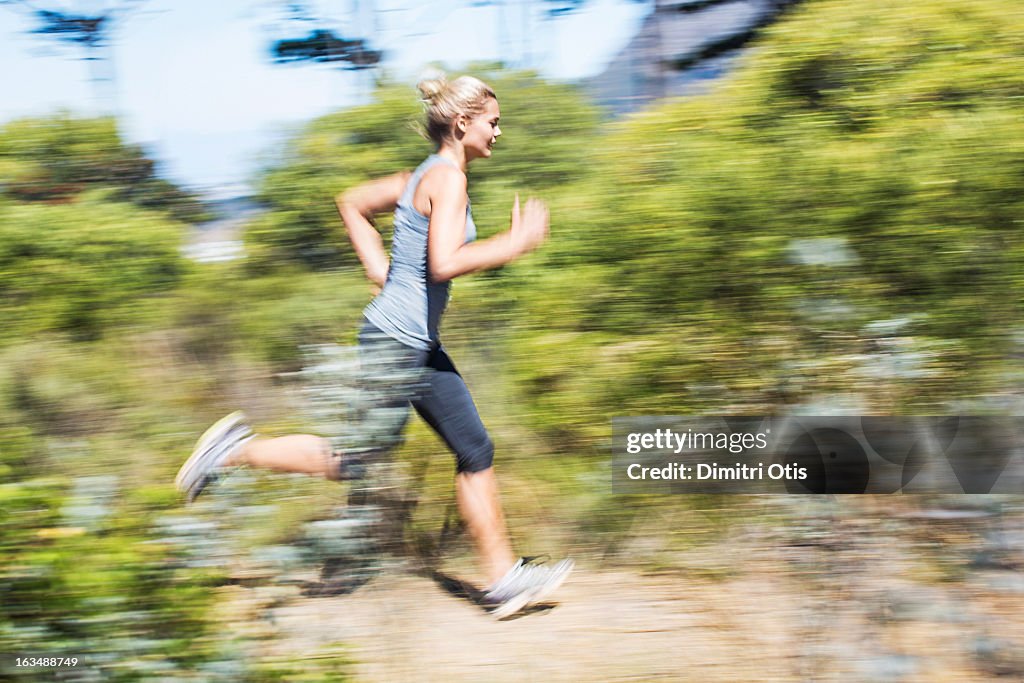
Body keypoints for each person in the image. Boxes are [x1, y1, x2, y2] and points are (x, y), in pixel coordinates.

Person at [175, 73, 572, 618]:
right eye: (493, 122)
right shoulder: (448, 180)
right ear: (463, 123)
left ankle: (503, 581)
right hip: (396, 343)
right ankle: (230, 452)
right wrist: (512, 243)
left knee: (474, 449)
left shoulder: (424, 175)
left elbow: (352, 202)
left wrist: (377, 266)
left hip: (415, 343)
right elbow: (444, 263)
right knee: (357, 461)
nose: (499, 132)